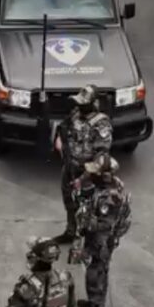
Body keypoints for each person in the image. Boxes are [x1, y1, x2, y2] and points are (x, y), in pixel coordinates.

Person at [69, 154, 131, 307]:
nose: (91, 175)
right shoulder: (107, 185)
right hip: (97, 239)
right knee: (95, 274)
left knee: (96, 278)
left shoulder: (110, 198)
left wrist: (85, 219)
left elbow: (106, 225)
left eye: (95, 173)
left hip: (101, 243)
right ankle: (93, 303)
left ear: (104, 176)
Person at [52, 85, 112, 244]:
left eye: (84, 104)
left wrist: (83, 178)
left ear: (94, 103)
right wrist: (59, 139)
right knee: (69, 202)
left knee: (87, 208)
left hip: (88, 174)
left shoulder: (101, 124)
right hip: (70, 167)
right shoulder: (75, 114)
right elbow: (62, 127)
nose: (80, 106)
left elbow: (101, 157)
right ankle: (71, 231)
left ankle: (87, 241)